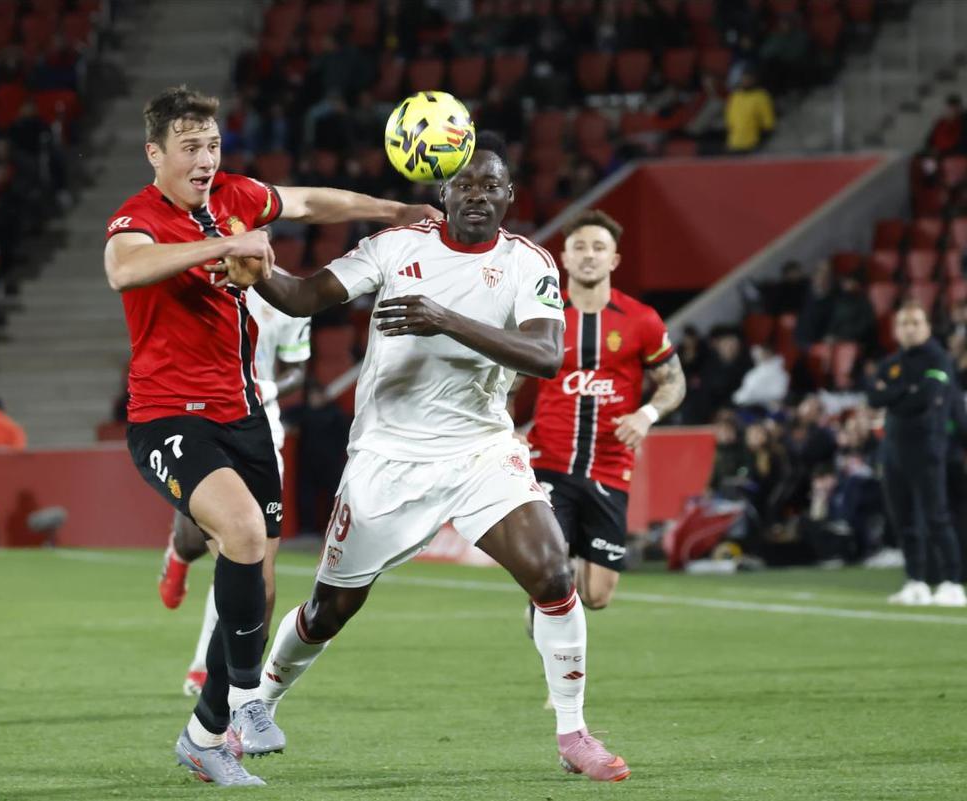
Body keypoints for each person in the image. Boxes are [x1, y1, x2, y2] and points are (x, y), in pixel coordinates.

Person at [242, 134, 631, 782]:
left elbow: (545, 356)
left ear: (508, 196)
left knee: (554, 574)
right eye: (465, 185)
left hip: (479, 450)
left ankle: (573, 732)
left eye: (490, 186)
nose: (477, 195)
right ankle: (260, 699)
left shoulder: (528, 263)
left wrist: (442, 317)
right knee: (328, 610)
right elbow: (308, 296)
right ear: (441, 192)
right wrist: (259, 273)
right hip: (387, 458)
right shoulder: (397, 248)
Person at [103, 85, 435, 787]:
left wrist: (394, 210)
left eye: (213, 145)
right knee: (245, 536)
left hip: (247, 414)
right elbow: (123, 269)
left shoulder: (237, 194)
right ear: (155, 154)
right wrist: (225, 243)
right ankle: (248, 701)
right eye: (189, 147)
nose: (204, 158)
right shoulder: (139, 217)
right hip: (169, 415)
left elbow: (313, 201)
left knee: (258, 564)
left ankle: (204, 731)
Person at [158, 279, 312, 696]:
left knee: (242, 556)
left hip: (263, 429)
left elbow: (297, 366)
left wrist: (265, 388)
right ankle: (179, 551)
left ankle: (203, 668)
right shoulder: (201, 286)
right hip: (203, 423)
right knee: (199, 538)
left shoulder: (290, 296)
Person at [526, 209, 686, 610]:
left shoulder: (642, 320)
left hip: (611, 465)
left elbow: (674, 381)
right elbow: (505, 381)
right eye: (579, 247)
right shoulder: (543, 317)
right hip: (550, 459)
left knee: (597, 596)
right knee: (550, 566)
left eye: (599, 248)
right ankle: (548, 608)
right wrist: (504, 428)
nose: (588, 255)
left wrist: (646, 415)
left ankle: (558, 591)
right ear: (563, 258)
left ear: (614, 260)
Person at [866, 302, 966, 606]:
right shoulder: (892, 362)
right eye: (904, 323)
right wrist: (904, 393)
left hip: (927, 447)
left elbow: (926, 398)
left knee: (936, 515)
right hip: (893, 448)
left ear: (927, 327)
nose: (909, 328)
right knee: (903, 518)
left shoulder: (939, 359)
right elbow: (873, 395)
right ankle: (916, 580)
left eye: (915, 322)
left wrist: (894, 395)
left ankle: (952, 582)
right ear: (896, 330)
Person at [724, 70, 775, 154]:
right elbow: (730, 119)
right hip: (734, 143)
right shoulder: (736, 96)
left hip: (752, 144)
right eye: (744, 79)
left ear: (754, 80)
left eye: (748, 79)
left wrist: (762, 142)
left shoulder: (761, 96)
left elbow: (768, 122)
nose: (745, 81)